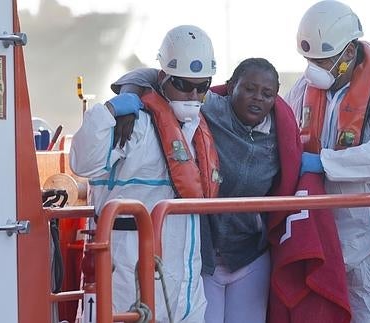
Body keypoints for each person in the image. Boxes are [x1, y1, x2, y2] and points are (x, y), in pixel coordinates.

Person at [110, 58, 302, 323]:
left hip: (250, 256)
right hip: (204, 256)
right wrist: (127, 100)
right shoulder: (208, 107)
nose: (257, 98)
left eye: (267, 94)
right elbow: (154, 76)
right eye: (249, 89)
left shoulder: (281, 130)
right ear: (232, 85)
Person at [69, 25, 222, 322]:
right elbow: (82, 162)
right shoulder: (133, 123)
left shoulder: (200, 125)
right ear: (164, 78)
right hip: (126, 274)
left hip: (186, 278)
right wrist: (110, 110)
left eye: (202, 86)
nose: (193, 94)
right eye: (183, 84)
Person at [285, 1, 370, 322]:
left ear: (348, 54)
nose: (314, 68)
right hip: (329, 228)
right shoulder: (304, 90)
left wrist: (325, 163)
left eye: (323, 60)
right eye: (309, 60)